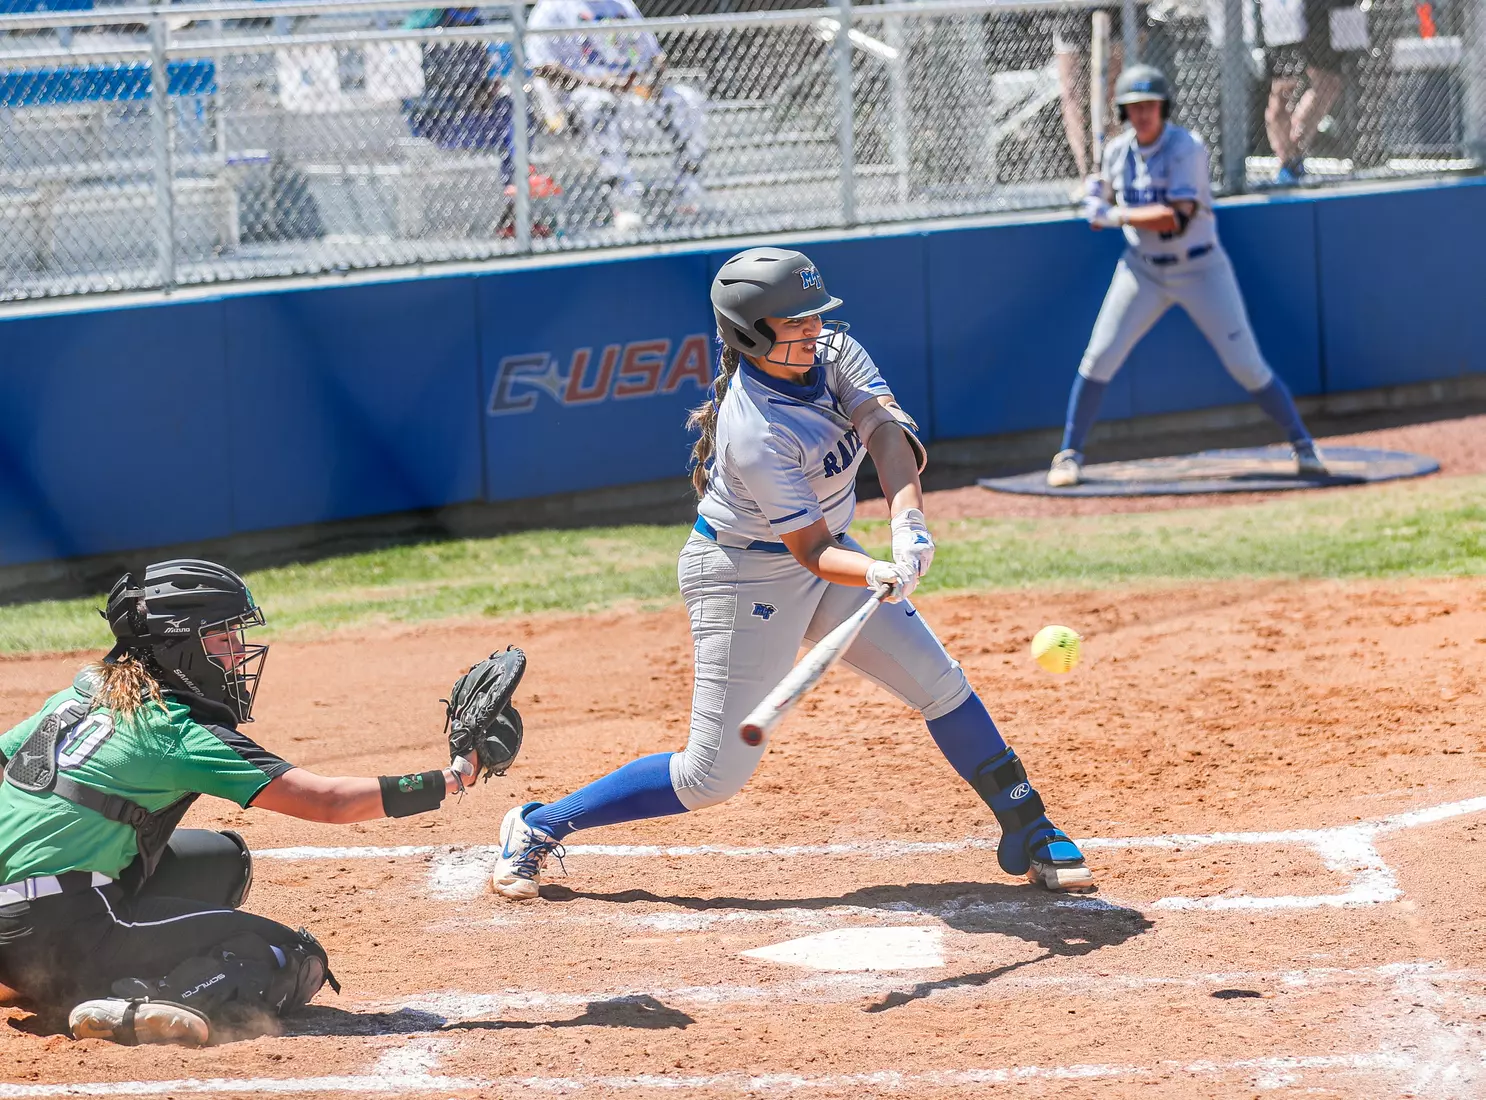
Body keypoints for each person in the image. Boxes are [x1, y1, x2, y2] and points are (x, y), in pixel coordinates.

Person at [489, 246, 1095, 903]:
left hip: (838, 555)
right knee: (709, 777)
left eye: (814, 317)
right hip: (742, 578)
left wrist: (907, 524)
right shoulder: (753, 427)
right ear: (752, 334)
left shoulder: (834, 354)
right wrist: (873, 572)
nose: (813, 330)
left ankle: (1029, 826)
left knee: (938, 682)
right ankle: (538, 826)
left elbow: (885, 433)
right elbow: (808, 550)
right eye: (796, 322)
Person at [0, 560, 490, 1048]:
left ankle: (31, 973)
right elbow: (328, 802)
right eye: (221, 638)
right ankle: (140, 1002)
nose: (236, 654)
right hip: (65, 931)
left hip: (19, 927)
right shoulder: (177, 730)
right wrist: (455, 776)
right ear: (178, 645)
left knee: (219, 864)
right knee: (289, 957)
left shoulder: (79, 694)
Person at [1049, 65, 1327, 488]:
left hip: (1200, 267)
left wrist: (1112, 215)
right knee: (1099, 356)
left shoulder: (1186, 147)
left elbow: (1174, 219)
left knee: (1247, 366)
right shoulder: (1118, 150)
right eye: (1134, 107)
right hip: (1142, 269)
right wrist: (1093, 195)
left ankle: (1303, 444)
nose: (1142, 114)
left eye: (1150, 105)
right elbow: (1105, 190)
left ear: (1163, 107)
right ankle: (1069, 454)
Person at [525, 0, 707, 232]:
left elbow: (656, 56)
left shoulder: (622, 4)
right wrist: (605, 83)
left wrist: (653, 78)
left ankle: (688, 191)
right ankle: (625, 201)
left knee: (687, 99)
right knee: (598, 104)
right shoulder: (552, 9)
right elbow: (542, 68)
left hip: (633, 96)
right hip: (580, 102)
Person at [1262, 0, 1350, 185]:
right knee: (1283, 90)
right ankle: (1287, 160)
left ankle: (1295, 155)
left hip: (1325, 10)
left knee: (1329, 83)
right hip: (1285, 13)